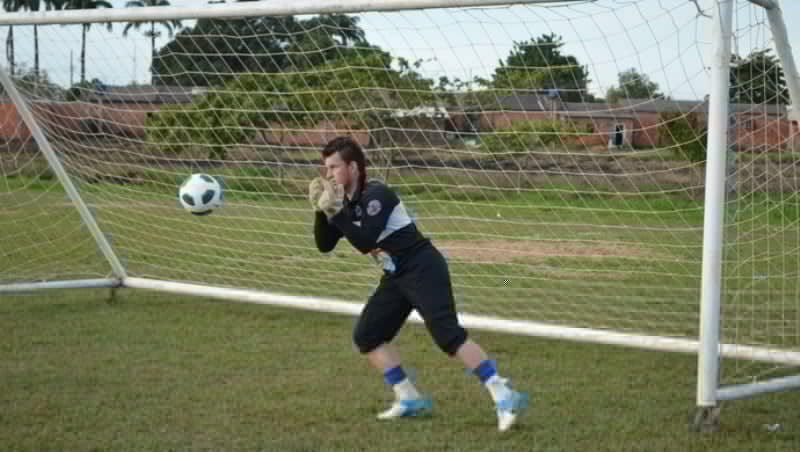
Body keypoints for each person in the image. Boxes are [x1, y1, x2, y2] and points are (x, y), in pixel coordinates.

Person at [308, 136, 525, 432]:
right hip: (396, 275)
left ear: (354, 167)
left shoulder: (377, 195)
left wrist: (335, 212)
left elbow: (365, 241)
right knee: (367, 335)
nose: (328, 174)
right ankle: (408, 397)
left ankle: (503, 393)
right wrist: (320, 213)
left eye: (334, 167)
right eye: (326, 168)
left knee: (448, 335)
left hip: (423, 267)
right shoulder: (344, 202)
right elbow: (324, 245)